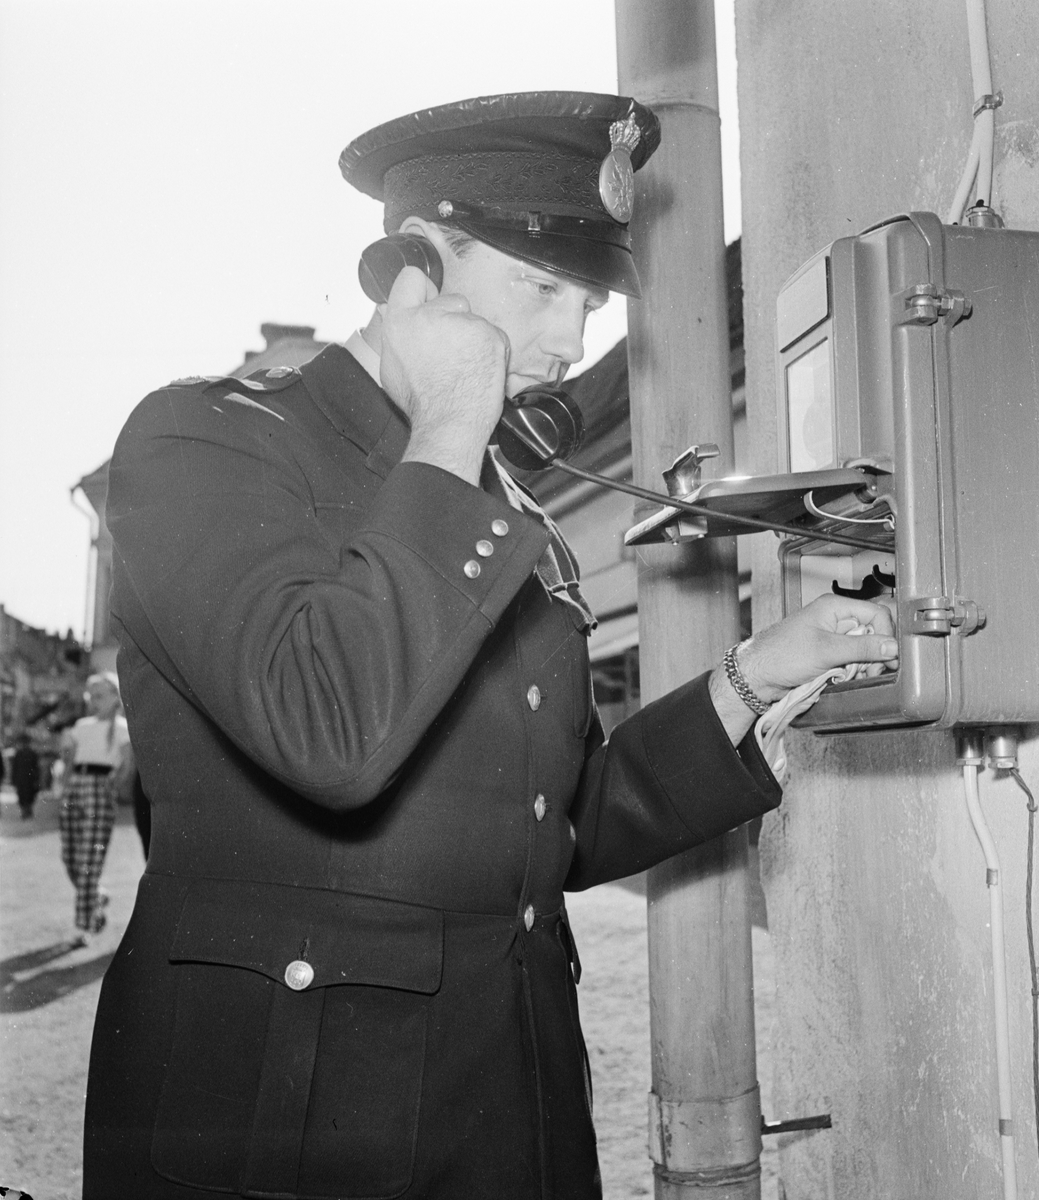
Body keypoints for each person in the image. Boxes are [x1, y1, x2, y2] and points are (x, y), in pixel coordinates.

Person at [85, 92, 897, 1199]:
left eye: (590, 305)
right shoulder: (207, 441)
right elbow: (332, 731)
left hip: (511, 1106)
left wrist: (759, 673)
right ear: (414, 271)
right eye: (541, 286)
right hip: (292, 1123)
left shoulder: (503, 507)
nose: (570, 343)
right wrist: (452, 423)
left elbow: (552, 828)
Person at [60, 672, 131, 942]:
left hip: (100, 790)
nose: (94, 700)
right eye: (91, 695)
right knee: (70, 859)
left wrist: (112, 787)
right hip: (75, 788)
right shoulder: (81, 725)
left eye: (100, 695)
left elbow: (125, 765)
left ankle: (83, 927)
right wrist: (65, 789)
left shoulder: (122, 727)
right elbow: (69, 762)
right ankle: (97, 896)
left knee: (88, 861)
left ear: (115, 697)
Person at [10, 732, 41, 820]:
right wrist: (14, 780)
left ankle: (28, 811)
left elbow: (36, 768)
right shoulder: (18, 754)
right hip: (21, 779)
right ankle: (24, 811)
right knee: (22, 796)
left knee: (30, 795)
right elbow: (15, 768)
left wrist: (37, 779)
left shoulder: (32, 754)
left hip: (30, 779)